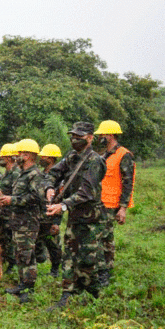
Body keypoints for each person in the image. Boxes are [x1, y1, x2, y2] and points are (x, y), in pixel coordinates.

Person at [45, 122, 108, 309]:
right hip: (74, 216)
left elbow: (86, 192)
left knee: (87, 259)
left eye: (79, 137)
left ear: (90, 138)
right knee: (70, 256)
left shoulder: (94, 161)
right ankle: (66, 296)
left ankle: (96, 295)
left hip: (91, 218)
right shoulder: (71, 156)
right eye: (72, 136)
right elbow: (54, 172)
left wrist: (62, 206)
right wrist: (49, 187)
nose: (74, 140)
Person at [0, 139, 43, 303]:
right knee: (21, 255)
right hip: (18, 222)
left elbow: (36, 197)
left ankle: (29, 290)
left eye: (21, 153)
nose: (18, 156)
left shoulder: (35, 174)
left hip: (28, 223)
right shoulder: (22, 173)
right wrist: (6, 200)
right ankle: (23, 284)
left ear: (28, 155)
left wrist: (12, 200)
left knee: (27, 256)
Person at [95, 120, 135, 287]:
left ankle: (105, 273)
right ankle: (102, 271)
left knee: (103, 238)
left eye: (102, 135)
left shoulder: (124, 155)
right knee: (102, 238)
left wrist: (123, 208)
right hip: (100, 203)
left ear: (110, 135)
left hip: (112, 204)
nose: (100, 138)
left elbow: (128, 182)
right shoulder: (104, 155)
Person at [37, 144, 63, 278]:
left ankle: (55, 270)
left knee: (53, 245)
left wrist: (57, 222)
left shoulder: (58, 177)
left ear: (51, 159)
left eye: (44, 156)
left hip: (51, 216)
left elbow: (60, 200)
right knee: (36, 242)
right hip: (38, 216)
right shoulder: (42, 174)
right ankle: (39, 259)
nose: (41, 158)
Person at [0, 143, 21, 274]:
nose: (0, 159)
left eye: (3, 157)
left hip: (12, 213)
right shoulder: (6, 172)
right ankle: (4, 260)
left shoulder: (16, 173)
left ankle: (13, 265)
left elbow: (18, 194)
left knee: (12, 240)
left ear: (10, 158)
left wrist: (5, 197)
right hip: (3, 213)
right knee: (3, 238)